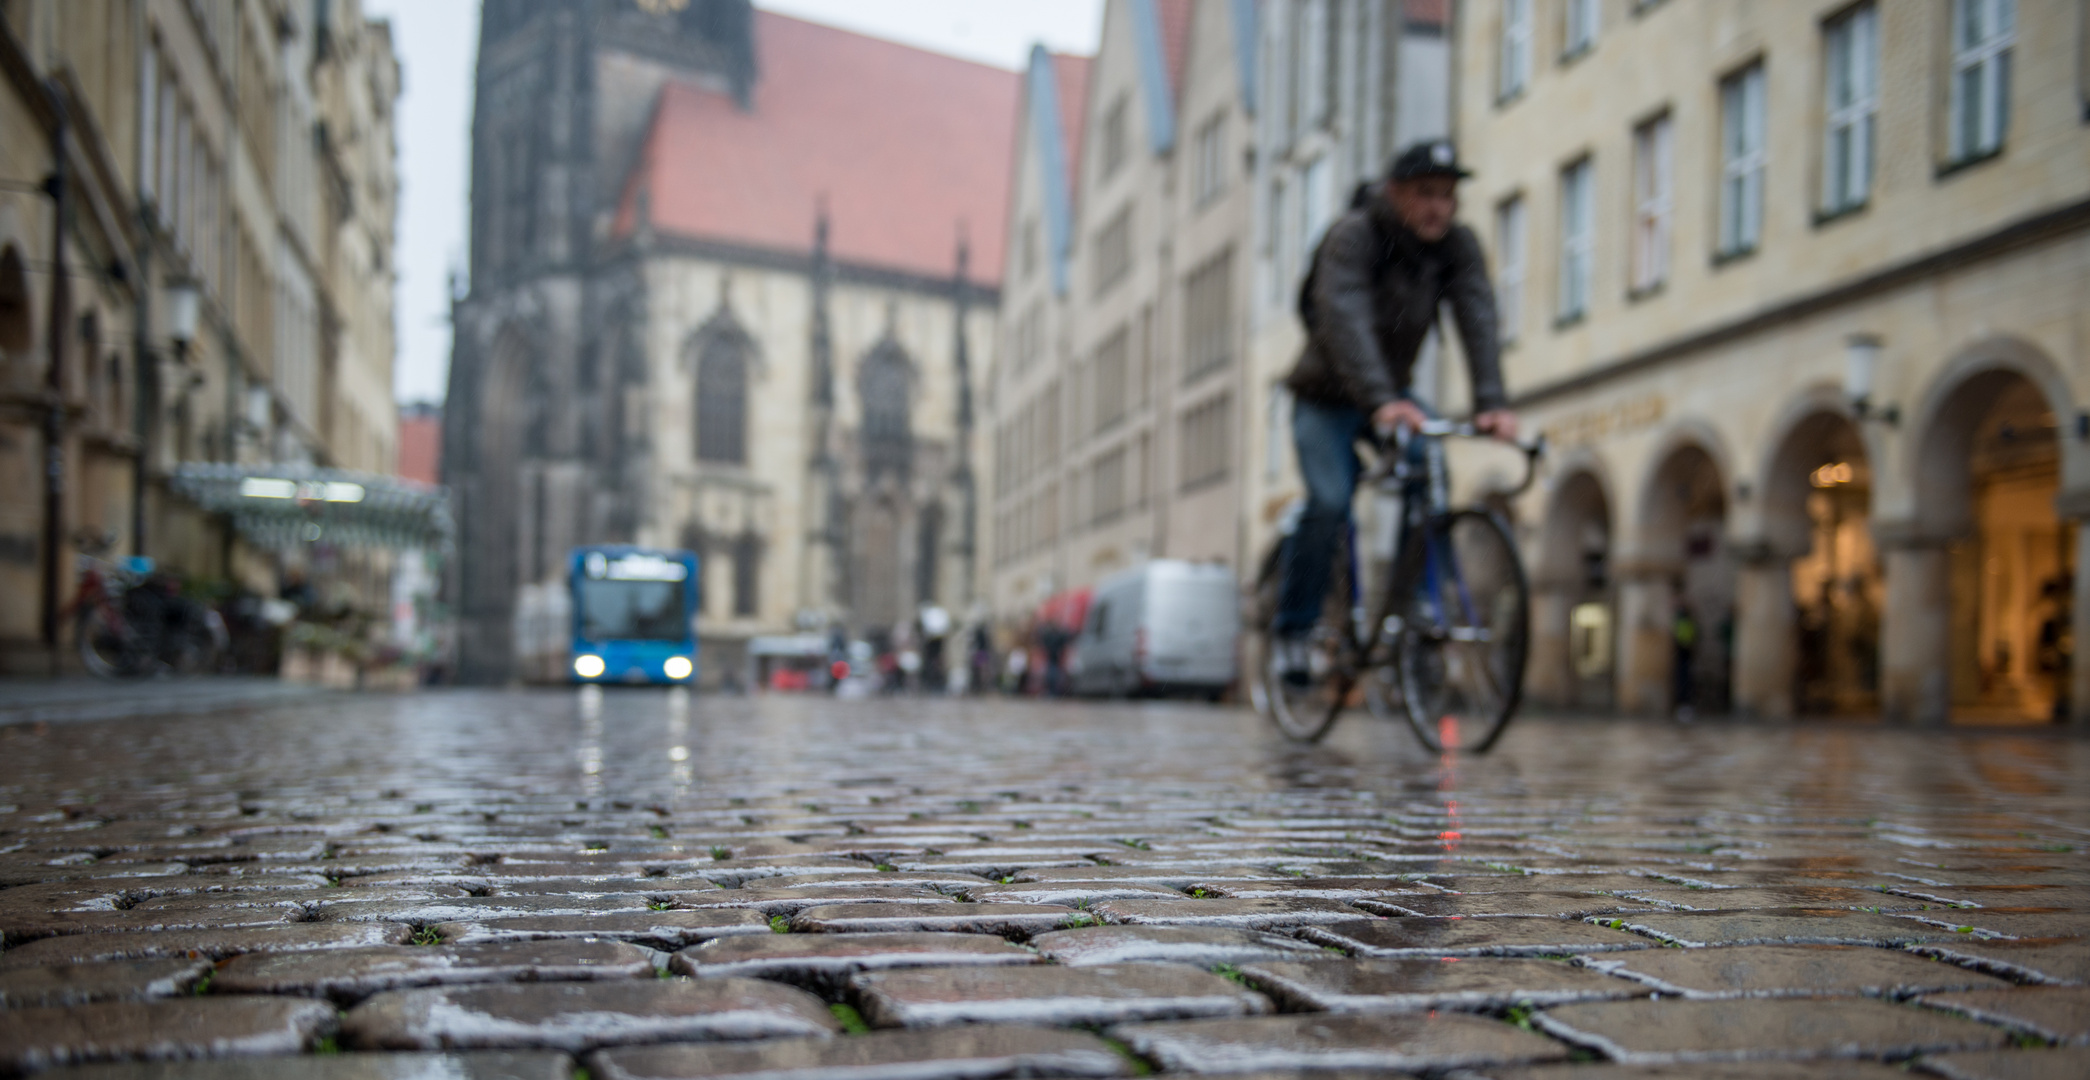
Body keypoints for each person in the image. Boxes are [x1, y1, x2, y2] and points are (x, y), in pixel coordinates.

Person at [1274, 141, 1518, 678]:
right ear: (1395, 193)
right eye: (1425, 194)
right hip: (1326, 397)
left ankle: (1422, 604)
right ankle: (1294, 630)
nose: (1438, 208)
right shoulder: (1354, 236)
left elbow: (1477, 314)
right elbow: (1345, 319)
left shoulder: (1456, 247)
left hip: (1393, 400)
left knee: (1431, 470)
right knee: (1332, 501)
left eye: (1448, 197)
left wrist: (1492, 403)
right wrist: (1383, 400)